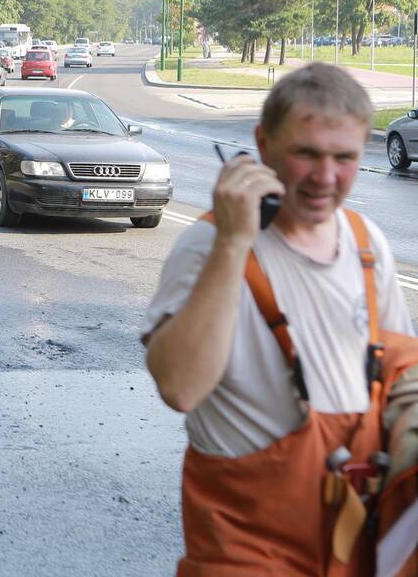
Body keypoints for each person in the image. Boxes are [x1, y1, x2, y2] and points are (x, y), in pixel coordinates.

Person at [140, 63, 418, 575]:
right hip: (245, 548)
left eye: (345, 158)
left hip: (352, 539)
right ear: (262, 145)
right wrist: (233, 242)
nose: (325, 178)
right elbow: (179, 387)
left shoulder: (365, 242)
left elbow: (399, 369)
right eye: (306, 153)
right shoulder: (206, 246)